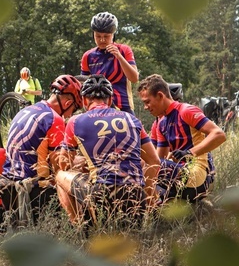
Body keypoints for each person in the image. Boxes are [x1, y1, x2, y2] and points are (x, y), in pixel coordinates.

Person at [55, 75, 160, 229]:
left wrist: (82, 160)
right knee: (141, 162)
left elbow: (64, 163)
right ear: (110, 100)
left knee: (59, 176)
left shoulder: (75, 121)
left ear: (84, 100)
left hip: (102, 197)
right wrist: (147, 198)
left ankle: (82, 229)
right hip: (136, 198)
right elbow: (154, 161)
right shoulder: (132, 119)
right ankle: (148, 211)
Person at [0, 74, 82, 229]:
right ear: (68, 102)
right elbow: (61, 166)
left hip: (5, 182)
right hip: (31, 190)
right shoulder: (54, 119)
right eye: (73, 109)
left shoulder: (25, 111)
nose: (70, 115)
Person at [138, 74, 227, 202]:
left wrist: (189, 153)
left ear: (160, 96)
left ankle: (151, 211)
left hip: (198, 175)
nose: (145, 107)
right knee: (141, 165)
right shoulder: (161, 123)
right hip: (180, 174)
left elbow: (219, 135)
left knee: (144, 165)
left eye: (147, 102)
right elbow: (158, 159)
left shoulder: (186, 111)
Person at [81, 12, 139, 114]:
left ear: (113, 35)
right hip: (96, 108)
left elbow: (134, 78)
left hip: (123, 107)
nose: (102, 40)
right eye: (98, 36)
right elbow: (83, 85)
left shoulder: (124, 50)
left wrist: (119, 57)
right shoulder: (88, 56)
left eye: (106, 36)